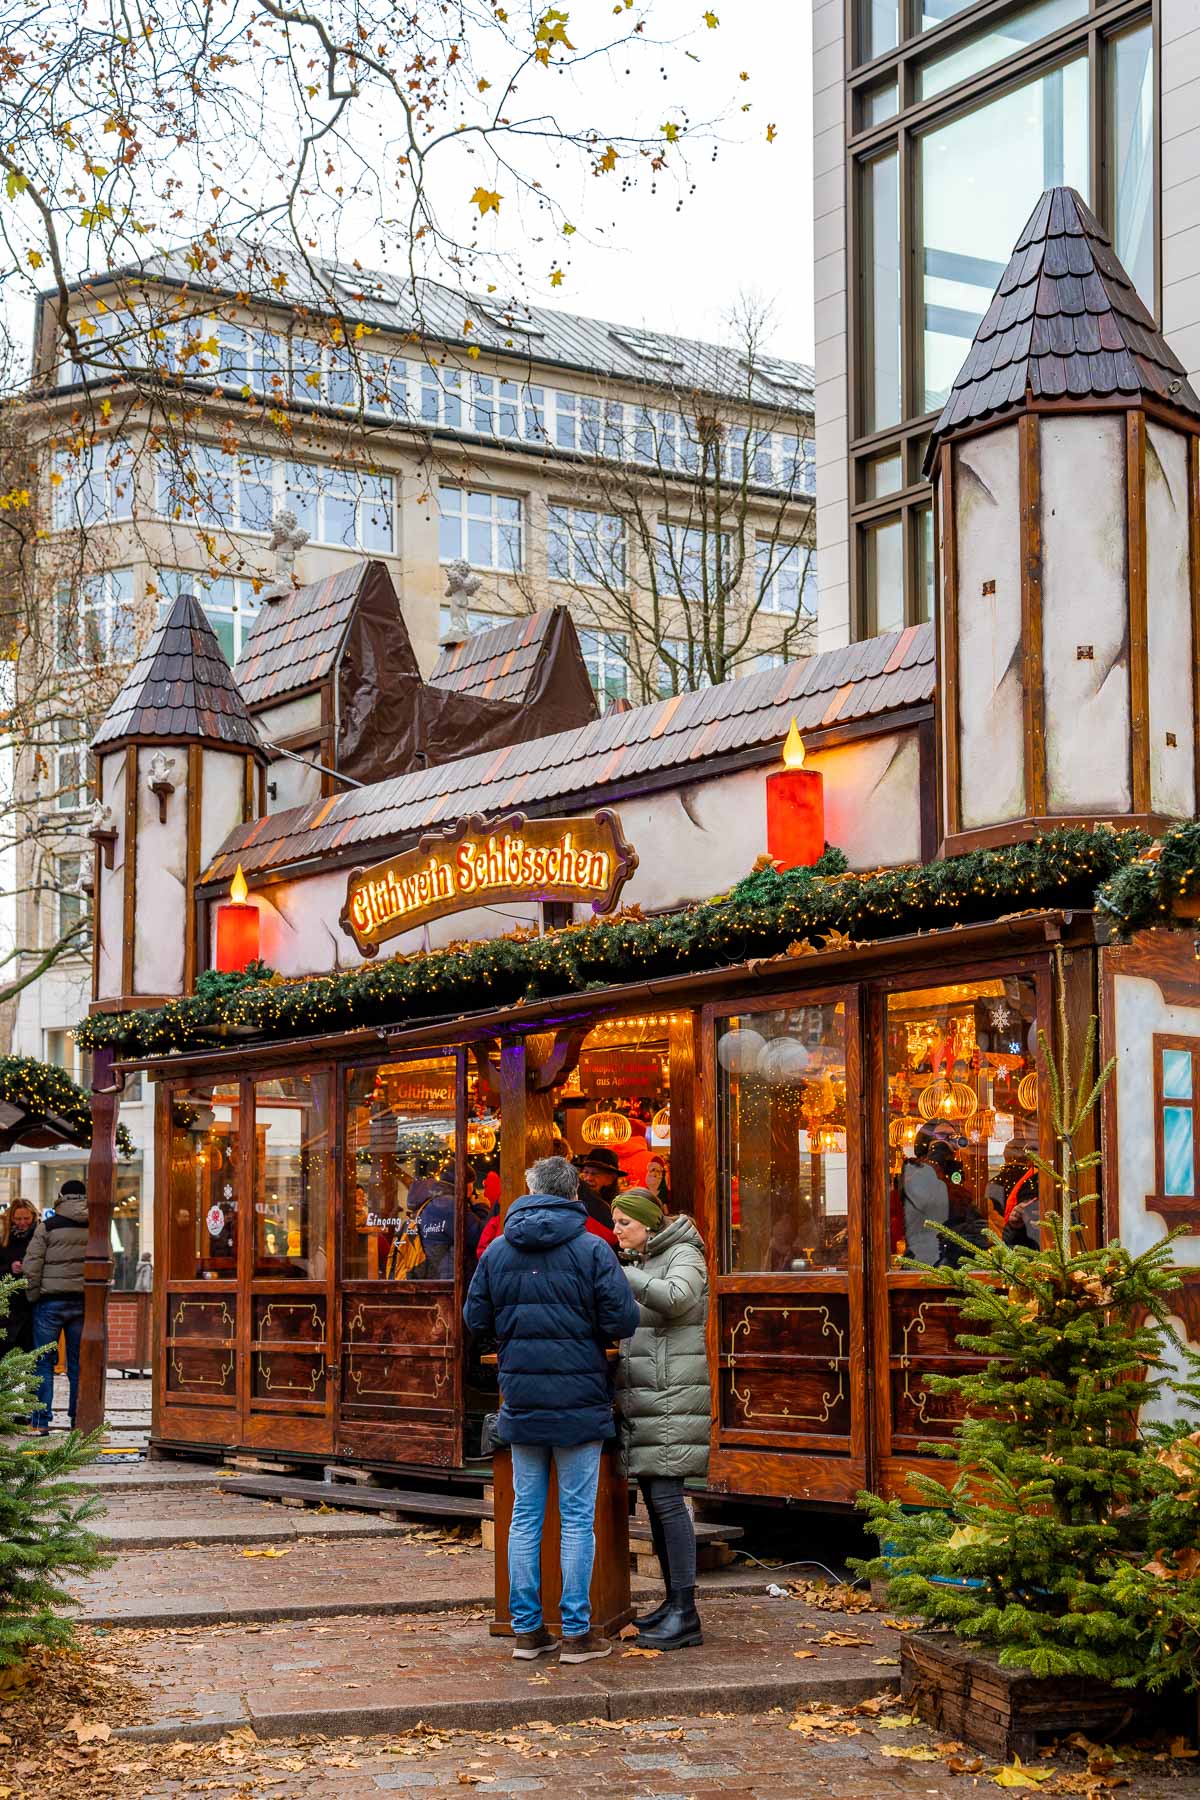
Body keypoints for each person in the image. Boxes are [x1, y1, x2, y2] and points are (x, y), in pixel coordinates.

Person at [463, 1154, 638, 1664]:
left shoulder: (498, 1250)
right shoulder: (592, 1248)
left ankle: (526, 1630)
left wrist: (514, 1337)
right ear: (573, 1195)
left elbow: (476, 1317)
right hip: (580, 1396)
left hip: (521, 1395)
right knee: (578, 1515)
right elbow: (621, 1319)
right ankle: (578, 1633)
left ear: (530, 1189)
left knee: (525, 1514)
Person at [611, 1187, 710, 1651]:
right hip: (650, 1393)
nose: (617, 1232)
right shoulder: (648, 1259)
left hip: (672, 1394)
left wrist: (623, 1275)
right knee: (655, 1501)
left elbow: (677, 1298)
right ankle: (672, 1604)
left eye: (623, 1224)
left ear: (648, 1222)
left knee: (669, 1502)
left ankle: (686, 1613)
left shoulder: (684, 1253)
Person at [23, 1178, 89, 1434]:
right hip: (82, 1303)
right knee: (79, 1365)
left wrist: (32, 1296)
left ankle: (40, 1422)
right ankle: (79, 1421)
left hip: (49, 1302)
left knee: (43, 1362)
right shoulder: (96, 1225)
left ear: (61, 1196)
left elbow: (32, 1265)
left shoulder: (47, 1226)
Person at [901, 1124, 954, 1265]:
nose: (947, 1141)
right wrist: (938, 1154)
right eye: (941, 1136)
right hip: (923, 1264)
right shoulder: (913, 1172)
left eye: (951, 1137)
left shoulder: (955, 1174)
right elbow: (923, 1197)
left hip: (954, 1263)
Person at [0, 1199, 44, 1352]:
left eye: (26, 1218)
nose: (22, 1222)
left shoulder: (40, 1237)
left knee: (30, 1348)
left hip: (33, 1301)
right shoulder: (4, 1239)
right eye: (18, 1219)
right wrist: (9, 1267)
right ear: (11, 1218)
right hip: (9, 1304)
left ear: (33, 1216)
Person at [574, 1147, 621, 1246]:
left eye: (595, 1174)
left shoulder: (619, 1207)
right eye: (586, 1172)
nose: (588, 1178)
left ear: (611, 1179)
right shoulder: (577, 1201)